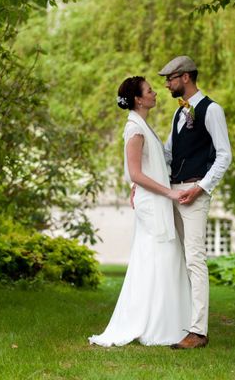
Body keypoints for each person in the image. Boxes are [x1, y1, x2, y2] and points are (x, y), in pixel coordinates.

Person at [88, 76, 192, 347]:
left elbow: (144, 169)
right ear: (138, 99)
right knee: (158, 258)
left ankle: (167, 323)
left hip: (155, 198)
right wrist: (169, 192)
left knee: (162, 260)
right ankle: (157, 326)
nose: (156, 93)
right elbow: (134, 171)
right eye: (149, 90)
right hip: (153, 201)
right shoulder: (134, 128)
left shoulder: (142, 125)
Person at [159, 55, 232, 350]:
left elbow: (224, 155)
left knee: (195, 259)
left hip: (194, 194)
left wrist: (201, 188)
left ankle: (198, 332)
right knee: (177, 258)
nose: (166, 84)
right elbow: (168, 153)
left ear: (185, 77)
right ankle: (180, 322)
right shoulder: (179, 114)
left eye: (170, 79)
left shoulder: (212, 110)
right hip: (174, 192)